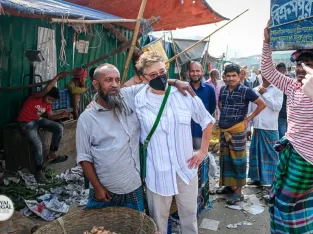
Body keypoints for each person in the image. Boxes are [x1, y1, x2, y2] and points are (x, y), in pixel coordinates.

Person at [76, 63, 196, 212]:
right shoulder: (87, 118)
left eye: (117, 80)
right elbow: (84, 157)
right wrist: (97, 187)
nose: (114, 85)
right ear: (95, 84)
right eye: (108, 80)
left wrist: (176, 82)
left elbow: (154, 82)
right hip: (107, 187)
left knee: (135, 226)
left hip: (134, 185)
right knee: (102, 227)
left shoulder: (128, 95)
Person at [135, 52, 214, 234]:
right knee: (158, 223)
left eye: (162, 72)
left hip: (185, 168)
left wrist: (203, 151)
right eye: (153, 75)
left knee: (189, 218)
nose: (159, 78)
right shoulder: (138, 99)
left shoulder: (183, 95)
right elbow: (113, 93)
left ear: (167, 70)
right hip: (157, 171)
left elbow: (207, 121)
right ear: (143, 78)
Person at [263, 22, 313, 233]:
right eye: (299, 64)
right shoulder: (292, 86)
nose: (301, 68)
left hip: (308, 158)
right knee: (278, 200)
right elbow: (267, 70)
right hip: (291, 151)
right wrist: (267, 42)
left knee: (286, 203)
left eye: (308, 63)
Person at [217, 63, 266, 204]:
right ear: (225, 77)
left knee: (238, 161)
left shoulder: (246, 90)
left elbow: (262, 104)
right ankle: (228, 186)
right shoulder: (223, 90)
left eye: (234, 75)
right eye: (228, 75)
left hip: (238, 131)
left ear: (239, 76)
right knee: (225, 160)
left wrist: (248, 119)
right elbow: (221, 105)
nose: (231, 78)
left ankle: (238, 192)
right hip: (224, 131)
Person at [18, 71, 72, 182]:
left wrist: (62, 115)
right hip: (25, 122)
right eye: (50, 99)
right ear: (45, 95)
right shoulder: (36, 97)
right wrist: (57, 77)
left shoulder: (48, 104)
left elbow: (50, 116)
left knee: (59, 128)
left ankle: (52, 153)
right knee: (38, 144)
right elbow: (47, 89)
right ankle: (39, 171)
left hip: (37, 120)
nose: (50, 102)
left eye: (53, 101)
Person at [247, 76, 283, 186]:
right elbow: (250, 109)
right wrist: (248, 127)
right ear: (261, 75)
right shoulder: (254, 90)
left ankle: (272, 180)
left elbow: (277, 107)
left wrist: (265, 94)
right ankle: (256, 178)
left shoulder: (278, 90)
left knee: (272, 155)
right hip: (257, 126)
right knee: (255, 154)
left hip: (270, 127)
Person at [188, 61, 216, 150]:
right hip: (185, 132)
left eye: (197, 71)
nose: (195, 74)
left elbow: (211, 108)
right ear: (188, 72)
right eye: (192, 71)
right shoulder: (182, 89)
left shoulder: (209, 89)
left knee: (201, 160)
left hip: (202, 132)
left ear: (202, 72)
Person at [275, 63, 288, 139]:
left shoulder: (289, 82)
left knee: (282, 135)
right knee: (282, 134)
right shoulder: (274, 82)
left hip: (283, 113)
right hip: (281, 113)